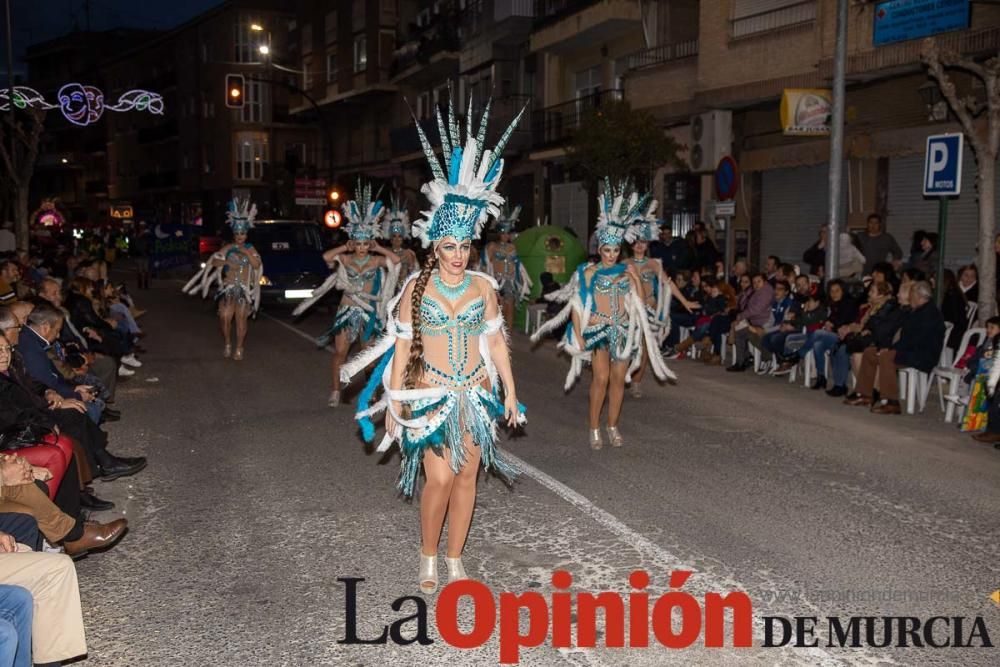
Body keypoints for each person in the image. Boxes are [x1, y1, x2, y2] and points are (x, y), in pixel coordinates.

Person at [339, 96, 524, 593]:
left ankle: (456, 557)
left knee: (467, 479)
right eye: (450, 246)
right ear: (434, 245)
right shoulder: (414, 291)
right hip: (430, 397)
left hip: (475, 395)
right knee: (439, 479)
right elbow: (400, 353)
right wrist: (396, 406)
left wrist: (508, 391)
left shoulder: (485, 288)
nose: (459, 255)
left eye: (465, 246)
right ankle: (427, 555)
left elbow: (498, 345)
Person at [534, 180, 674, 448]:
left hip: (621, 331)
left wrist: (633, 276)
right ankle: (594, 427)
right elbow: (577, 306)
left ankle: (612, 425)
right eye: (606, 250)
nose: (610, 255)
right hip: (599, 330)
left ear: (619, 250)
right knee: (601, 378)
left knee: (619, 379)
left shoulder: (626, 270)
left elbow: (641, 303)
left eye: (614, 250)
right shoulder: (588, 272)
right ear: (600, 250)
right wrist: (579, 334)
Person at [307, 182, 401, 407]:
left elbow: (395, 261)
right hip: (347, 311)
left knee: (368, 358)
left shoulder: (376, 259)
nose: (361, 247)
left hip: (368, 314)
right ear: (354, 243)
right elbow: (327, 258)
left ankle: (372, 392)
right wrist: (343, 247)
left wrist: (378, 247)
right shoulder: (347, 259)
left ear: (369, 243)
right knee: (340, 353)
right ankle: (336, 391)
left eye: (364, 243)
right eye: (357, 243)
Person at [623, 213, 699, 395]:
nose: (640, 245)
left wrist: (685, 301)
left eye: (643, 242)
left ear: (648, 244)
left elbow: (669, 283)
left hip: (650, 311)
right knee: (628, 347)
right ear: (631, 244)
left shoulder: (653, 264)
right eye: (636, 242)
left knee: (645, 348)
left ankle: (636, 382)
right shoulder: (624, 263)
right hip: (630, 311)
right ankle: (621, 375)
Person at [184, 199, 263, 361]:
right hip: (228, 288)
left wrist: (246, 253)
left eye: (242, 233)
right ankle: (227, 342)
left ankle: (239, 347)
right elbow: (214, 261)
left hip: (243, 290)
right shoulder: (228, 248)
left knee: (241, 319)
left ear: (246, 234)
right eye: (237, 234)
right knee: (225, 317)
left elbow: (256, 265)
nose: (240, 236)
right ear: (234, 235)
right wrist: (226, 261)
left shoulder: (250, 248)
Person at [847, 281, 943, 414]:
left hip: (922, 354)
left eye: (912, 295)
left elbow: (915, 340)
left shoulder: (929, 314)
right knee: (870, 352)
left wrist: (892, 349)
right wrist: (887, 347)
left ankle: (892, 402)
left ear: (919, 296)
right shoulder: (917, 310)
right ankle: (865, 395)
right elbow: (905, 338)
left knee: (887, 357)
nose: (910, 298)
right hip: (909, 350)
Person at [482, 204, 532, 328]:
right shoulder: (492, 246)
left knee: (510, 308)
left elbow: (517, 266)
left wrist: (519, 281)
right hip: (496, 282)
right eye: (504, 233)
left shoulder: (512, 247)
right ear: (499, 233)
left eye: (509, 233)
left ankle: (508, 337)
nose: (507, 235)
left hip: (510, 281)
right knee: (498, 309)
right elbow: (484, 265)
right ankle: (497, 335)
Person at [382, 197, 418, 280]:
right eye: (394, 236)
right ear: (390, 238)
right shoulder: (385, 252)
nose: (397, 239)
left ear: (403, 238)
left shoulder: (408, 253)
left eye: (400, 236)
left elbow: (414, 274)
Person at [132, 220, 153, 289]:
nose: (142, 227)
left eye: (143, 226)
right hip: (139, 255)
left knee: (146, 270)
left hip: (145, 255)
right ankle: (140, 284)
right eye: (141, 226)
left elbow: (150, 242)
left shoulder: (147, 234)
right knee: (140, 271)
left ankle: (145, 284)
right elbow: (134, 242)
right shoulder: (137, 234)